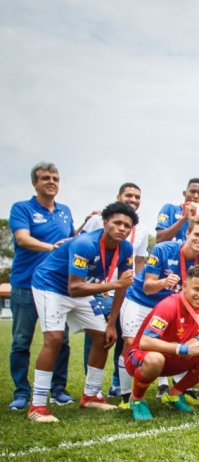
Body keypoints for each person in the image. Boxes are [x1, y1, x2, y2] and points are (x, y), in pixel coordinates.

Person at [27, 202, 138, 422]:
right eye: (117, 222)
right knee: (54, 339)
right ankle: (37, 406)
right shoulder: (85, 244)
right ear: (105, 223)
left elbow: (123, 286)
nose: (122, 228)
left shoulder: (126, 248)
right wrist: (115, 284)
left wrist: (110, 323)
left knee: (103, 338)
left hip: (84, 287)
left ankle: (90, 395)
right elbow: (74, 288)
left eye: (127, 225)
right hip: (52, 286)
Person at [119, 216, 199, 406]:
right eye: (197, 234)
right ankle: (125, 394)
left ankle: (173, 389)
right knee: (132, 344)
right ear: (187, 233)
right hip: (142, 300)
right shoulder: (163, 249)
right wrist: (164, 282)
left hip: (172, 304)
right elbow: (147, 286)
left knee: (177, 342)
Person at [8, 162, 75, 410]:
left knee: (61, 341)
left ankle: (58, 389)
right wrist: (51, 247)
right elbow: (22, 238)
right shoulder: (22, 208)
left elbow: (69, 240)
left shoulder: (65, 211)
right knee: (21, 341)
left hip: (56, 287)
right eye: (45, 178)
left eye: (55, 178)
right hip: (26, 284)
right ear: (34, 183)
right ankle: (21, 393)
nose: (51, 182)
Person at [124, 265, 199, 421]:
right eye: (197, 289)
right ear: (185, 286)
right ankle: (137, 398)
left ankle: (175, 394)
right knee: (155, 359)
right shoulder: (169, 305)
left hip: (174, 357)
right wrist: (183, 349)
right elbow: (145, 342)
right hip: (142, 358)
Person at [80, 182, 150, 398]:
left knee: (121, 337)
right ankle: (92, 385)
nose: (134, 199)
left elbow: (138, 262)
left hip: (123, 290)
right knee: (96, 336)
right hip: (93, 288)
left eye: (137, 196)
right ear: (118, 196)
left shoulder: (142, 229)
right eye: (129, 195)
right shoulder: (96, 220)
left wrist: (133, 286)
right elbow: (78, 243)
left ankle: (118, 384)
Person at [156, 177, 199, 243]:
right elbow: (159, 239)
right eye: (192, 191)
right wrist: (184, 218)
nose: (196, 196)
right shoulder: (169, 209)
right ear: (184, 193)